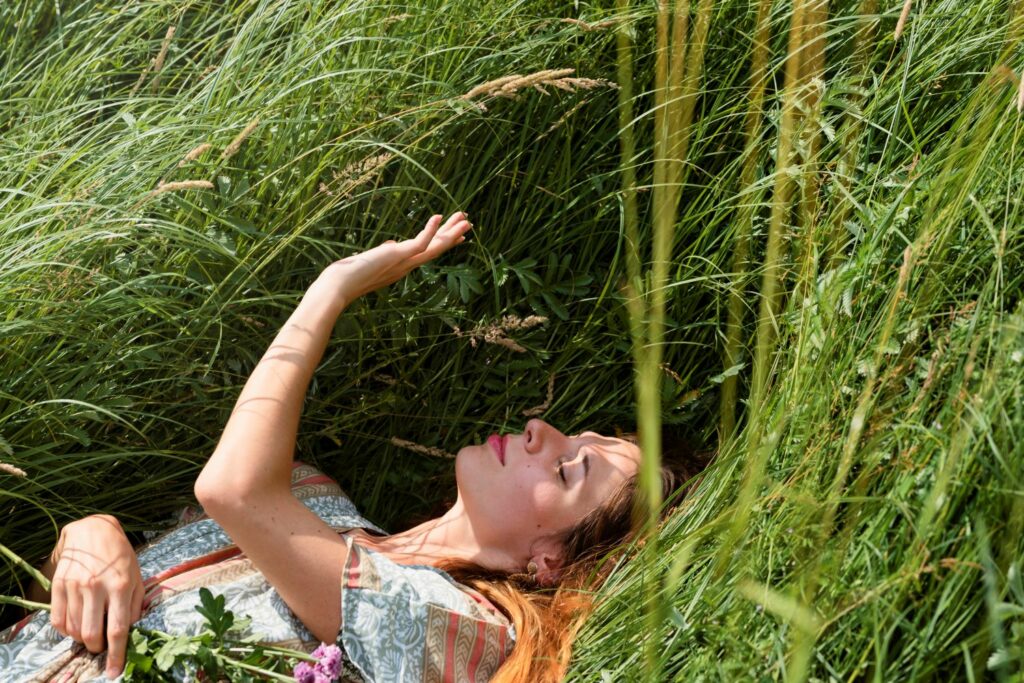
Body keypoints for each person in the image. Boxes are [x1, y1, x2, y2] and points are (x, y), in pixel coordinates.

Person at [0, 213, 711, 682]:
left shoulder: (463, 633)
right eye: (572, 433)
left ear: (549, 560)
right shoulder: (309, 491)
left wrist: (331, 288)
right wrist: (88, 538)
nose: (539, 429)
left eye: (566, 466)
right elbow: (62, 607)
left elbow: (233, 490)